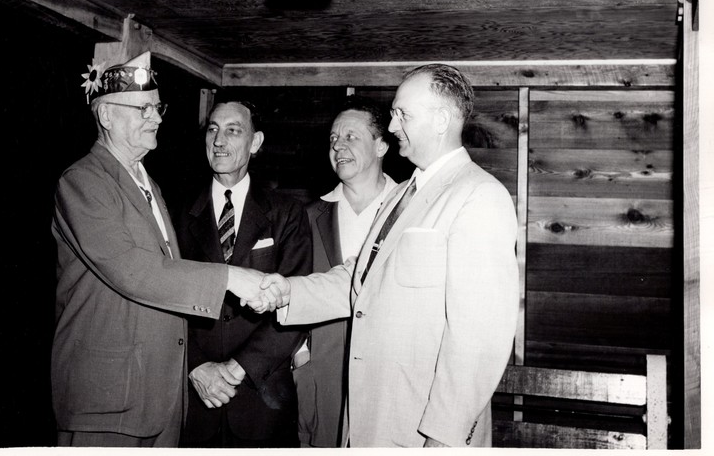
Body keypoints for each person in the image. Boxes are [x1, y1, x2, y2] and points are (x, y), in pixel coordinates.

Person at [258, 64, 519, 447]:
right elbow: (359, 280)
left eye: (403, 115)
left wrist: (444, 437)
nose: (393, 126)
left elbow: (479, 337)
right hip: (373, 415)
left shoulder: (479, 196)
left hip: (422, 428)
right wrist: (288, 293)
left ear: (441, 119)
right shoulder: (401, 195)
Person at [51, 52, 269, 448]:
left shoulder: (148, 183)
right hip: (108, 398)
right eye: (144, 109)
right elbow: (132, 269)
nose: (158, 117)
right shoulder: (84, 181)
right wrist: (231, 277)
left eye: (157, 107)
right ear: (106, 117)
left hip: (159, 395)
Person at [174, 97, 313, 448]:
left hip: (262, 400)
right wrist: (197, 366)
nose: (219, 141)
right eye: (213, 130)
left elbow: (295, 308)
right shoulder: (176, 213)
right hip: (195, 399)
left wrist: (235, 370)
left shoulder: (287, 214)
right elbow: (162, 298)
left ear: (256, 142)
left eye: (233, 130)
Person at [294, 96, 397, 447]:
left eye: (351, 136)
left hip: (391, 384)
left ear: (381, 145)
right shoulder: (307, 218)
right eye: (334, 138)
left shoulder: (411, 212)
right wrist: (301, 360)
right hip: (325, 384)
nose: (338, 145)